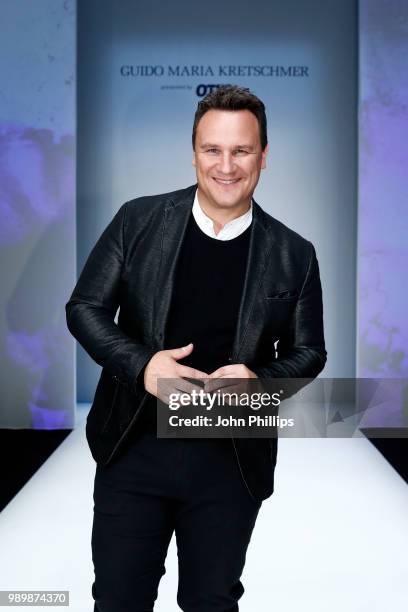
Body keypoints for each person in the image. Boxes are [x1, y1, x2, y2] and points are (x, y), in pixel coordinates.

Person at [65, 84, 326, 611]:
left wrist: (259, 381)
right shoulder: (137, 221)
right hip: (134, 444)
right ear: (194, 153)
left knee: (211, 600)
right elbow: (84, 308)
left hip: (230, 454)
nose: (226, 165)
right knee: (118, 599)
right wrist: (143, 366)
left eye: (241, 150)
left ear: (263, 156)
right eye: (213, 149)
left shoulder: (294, 253)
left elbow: (309, 351)